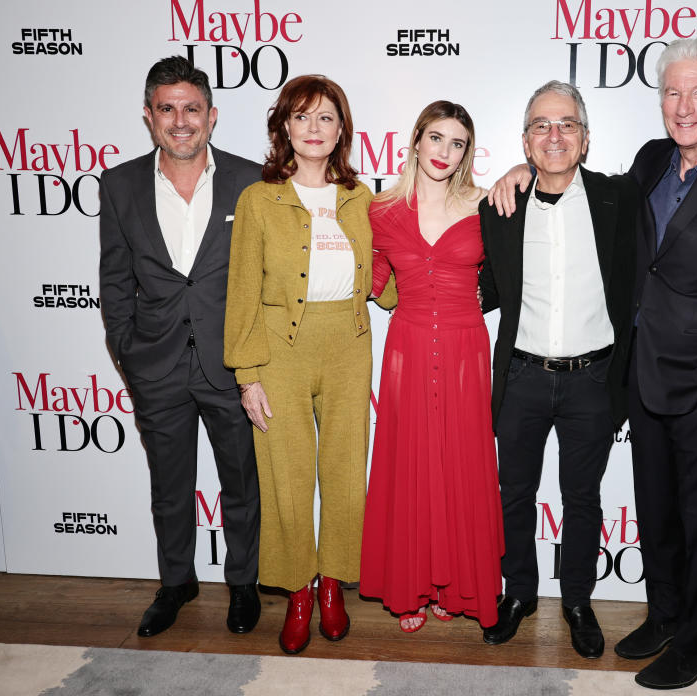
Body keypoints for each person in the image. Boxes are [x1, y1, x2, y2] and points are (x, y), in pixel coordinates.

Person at [488, 36, 697, 689]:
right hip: (643, 378)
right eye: (671, 92)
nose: (683, 106)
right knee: (657, 512)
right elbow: (584, 199)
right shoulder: (653, 161)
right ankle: (665, 616)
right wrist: (519, 174)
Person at [223, 75, 394, 654]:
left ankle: (333, 586)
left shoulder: (363, 198)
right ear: (284, 129)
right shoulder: (257, 199)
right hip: (279, 353)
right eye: (302, 118)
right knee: (287, 481)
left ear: (341, 128)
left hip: (348, 346)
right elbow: (242, 291)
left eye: (325, 118)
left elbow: (387, 287)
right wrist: (248, 376)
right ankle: (298, 589)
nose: (314, 129)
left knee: (346, 476)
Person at [99, 56, 261, 638]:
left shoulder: (252, 180)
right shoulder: (119, 185)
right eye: (167, 108)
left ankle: (243, 584)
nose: (181, 120)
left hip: (232, 365)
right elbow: (115, 281)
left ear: (212, 116)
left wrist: (255, 363)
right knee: (169, 487)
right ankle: (176, 582)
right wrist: (128, 354)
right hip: (157, 366)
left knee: (242, 480)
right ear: (149, 117)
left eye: (192, 108)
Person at [477, 81, 639, 658]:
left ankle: (576, 600)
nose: (554, 135)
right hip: (520, 376)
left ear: (587, 139)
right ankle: (518, 594)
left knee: (583, 499)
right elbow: (484, 288)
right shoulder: (498, 206)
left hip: (593, 379)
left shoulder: (620, 201)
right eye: (541, 125)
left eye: (567, 124)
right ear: (525, 140)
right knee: (513, 494)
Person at [359, 101, 504, 633]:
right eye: (437, 138)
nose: (445, 152)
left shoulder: (488, 206)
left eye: (458, 142)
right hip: (409, 347)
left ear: (468, 152)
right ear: (416, 140)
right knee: (412, 462)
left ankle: (454, 584)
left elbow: (510, 275)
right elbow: (368, 282)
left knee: (460, 463)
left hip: (467, 347)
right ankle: (413, 586)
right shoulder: (380, 209)